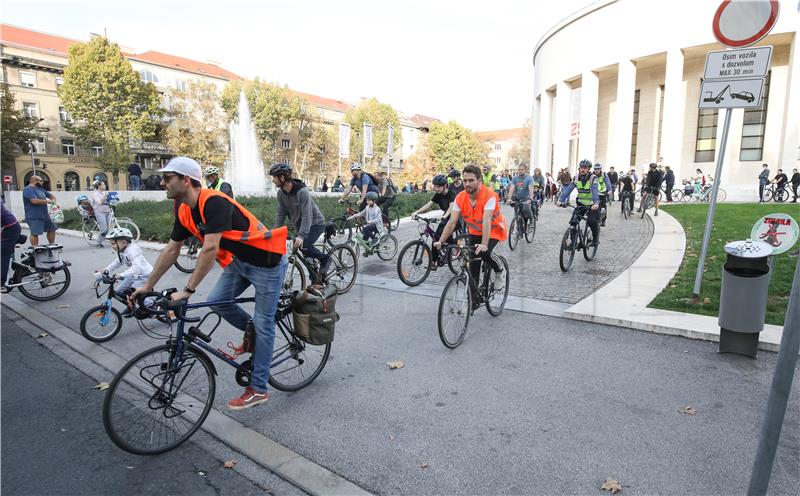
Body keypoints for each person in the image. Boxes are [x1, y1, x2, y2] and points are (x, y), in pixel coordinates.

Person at [129, 157, 289, 410]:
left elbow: (210, 248)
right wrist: (147, 286)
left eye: (167, 178)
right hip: (239, 262)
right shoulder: (183, 209)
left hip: (267, 263)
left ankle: (259, 389)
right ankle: (253, 331)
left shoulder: (213, 201)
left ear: (186, 180)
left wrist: (187, 290)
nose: (162, 183)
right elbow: (172, 249)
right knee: (217, 302)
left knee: (265, 323)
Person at [435, 164, 507, 310]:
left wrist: (484, 244)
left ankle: (500, 270)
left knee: (483, 252)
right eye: (465, 180)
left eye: (471, 180)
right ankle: (473, 299)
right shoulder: (460, 197)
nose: (467, 184)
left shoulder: (490, 195)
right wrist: (441, 241)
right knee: (473, 263)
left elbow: (487, 220)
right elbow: (452, 221)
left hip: (493, 230)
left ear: (479, 181)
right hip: (475, 232)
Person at [270, 163, 331, 282]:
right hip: (301, 226)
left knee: (305, 246)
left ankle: (325, 259)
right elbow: (281, 214)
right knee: (306, 255)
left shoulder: (302, 192)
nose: (273, 180)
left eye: (274, 177)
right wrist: (275, 233)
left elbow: (307, 216)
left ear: (282, 177)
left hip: (316, 223)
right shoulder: (281, 193)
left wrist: (301, 235)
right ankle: (316, 279)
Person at [95, 227, 153, 317]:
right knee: (119, 291)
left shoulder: (132, 251)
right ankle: (131, 307)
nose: (112, 246)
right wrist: (107, 269)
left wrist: (122, 275)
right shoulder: (122, 250)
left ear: (124, 242)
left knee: (135, 292)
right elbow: (118, 262)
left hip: (144, 275)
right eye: (111, 244)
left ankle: (151, 307)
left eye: (113, 244)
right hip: (134, 275)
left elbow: (136, 267)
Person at [412, 174, 457, 265]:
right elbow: (428, 205)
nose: (435, 188)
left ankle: (455, 249)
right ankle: (435, 260)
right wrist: (417, 212)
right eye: (434, 186)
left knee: (440, 237)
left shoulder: (451, 193)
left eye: (438, 186)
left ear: (445, 186)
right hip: (446, 216)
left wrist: (445, 216)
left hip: (456, 216)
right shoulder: (438, 195)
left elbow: (451, 208)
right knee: (437, 237)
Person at [558, 159, 600, 245]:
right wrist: (560, 200)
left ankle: (595, 239)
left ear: (588, 169)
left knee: (591, 221)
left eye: (585, 168)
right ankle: (573, 242)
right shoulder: (576, 178)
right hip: (581, 204)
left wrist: (596, 203)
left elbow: (595, 191)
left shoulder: (593, 178)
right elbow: (568, 189)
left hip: (592, 205)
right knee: (573, 221)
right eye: (581, 167)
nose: (582, 169)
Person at [22, 175, 57, 247]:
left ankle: (51, 245)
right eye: (41, 181)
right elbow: (34, 201)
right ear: (34, 181)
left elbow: (51, 196)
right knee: (35, 233)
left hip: (44, 215)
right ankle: (35, 248)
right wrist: (48, 202)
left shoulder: (40, 189)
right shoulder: (28, 189)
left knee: (52, 229)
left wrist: (53, 201)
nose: (42, 182)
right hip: (33, 216)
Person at [508, 163, 535, 231]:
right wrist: (509, 198)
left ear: (525, 170)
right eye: (519, 170)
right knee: (517, 214)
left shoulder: (529, 178)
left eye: (521, 170)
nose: (520, 171)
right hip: (517, 198)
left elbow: (530, 188)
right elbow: (512, 188)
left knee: (526, 209)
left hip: (526, 198)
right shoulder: (515, 178)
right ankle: (519, 229)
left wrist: (530, 198)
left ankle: (531, 220)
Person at [1, 200, 21, 292]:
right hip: (6, 229)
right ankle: (12, 265)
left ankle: (2, 282)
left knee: (3, 253)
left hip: (11, 229)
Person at [91, 179, 113, 247]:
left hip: (107, 211)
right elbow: (99, 202)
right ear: (99, 186)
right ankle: (99, 243)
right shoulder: (95, 194)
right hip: (99, 212)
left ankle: (110, 240)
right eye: (103, 185)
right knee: (103, 228)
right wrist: (105, 195)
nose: (105, 186)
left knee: (109, 227)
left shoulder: (104, 192)